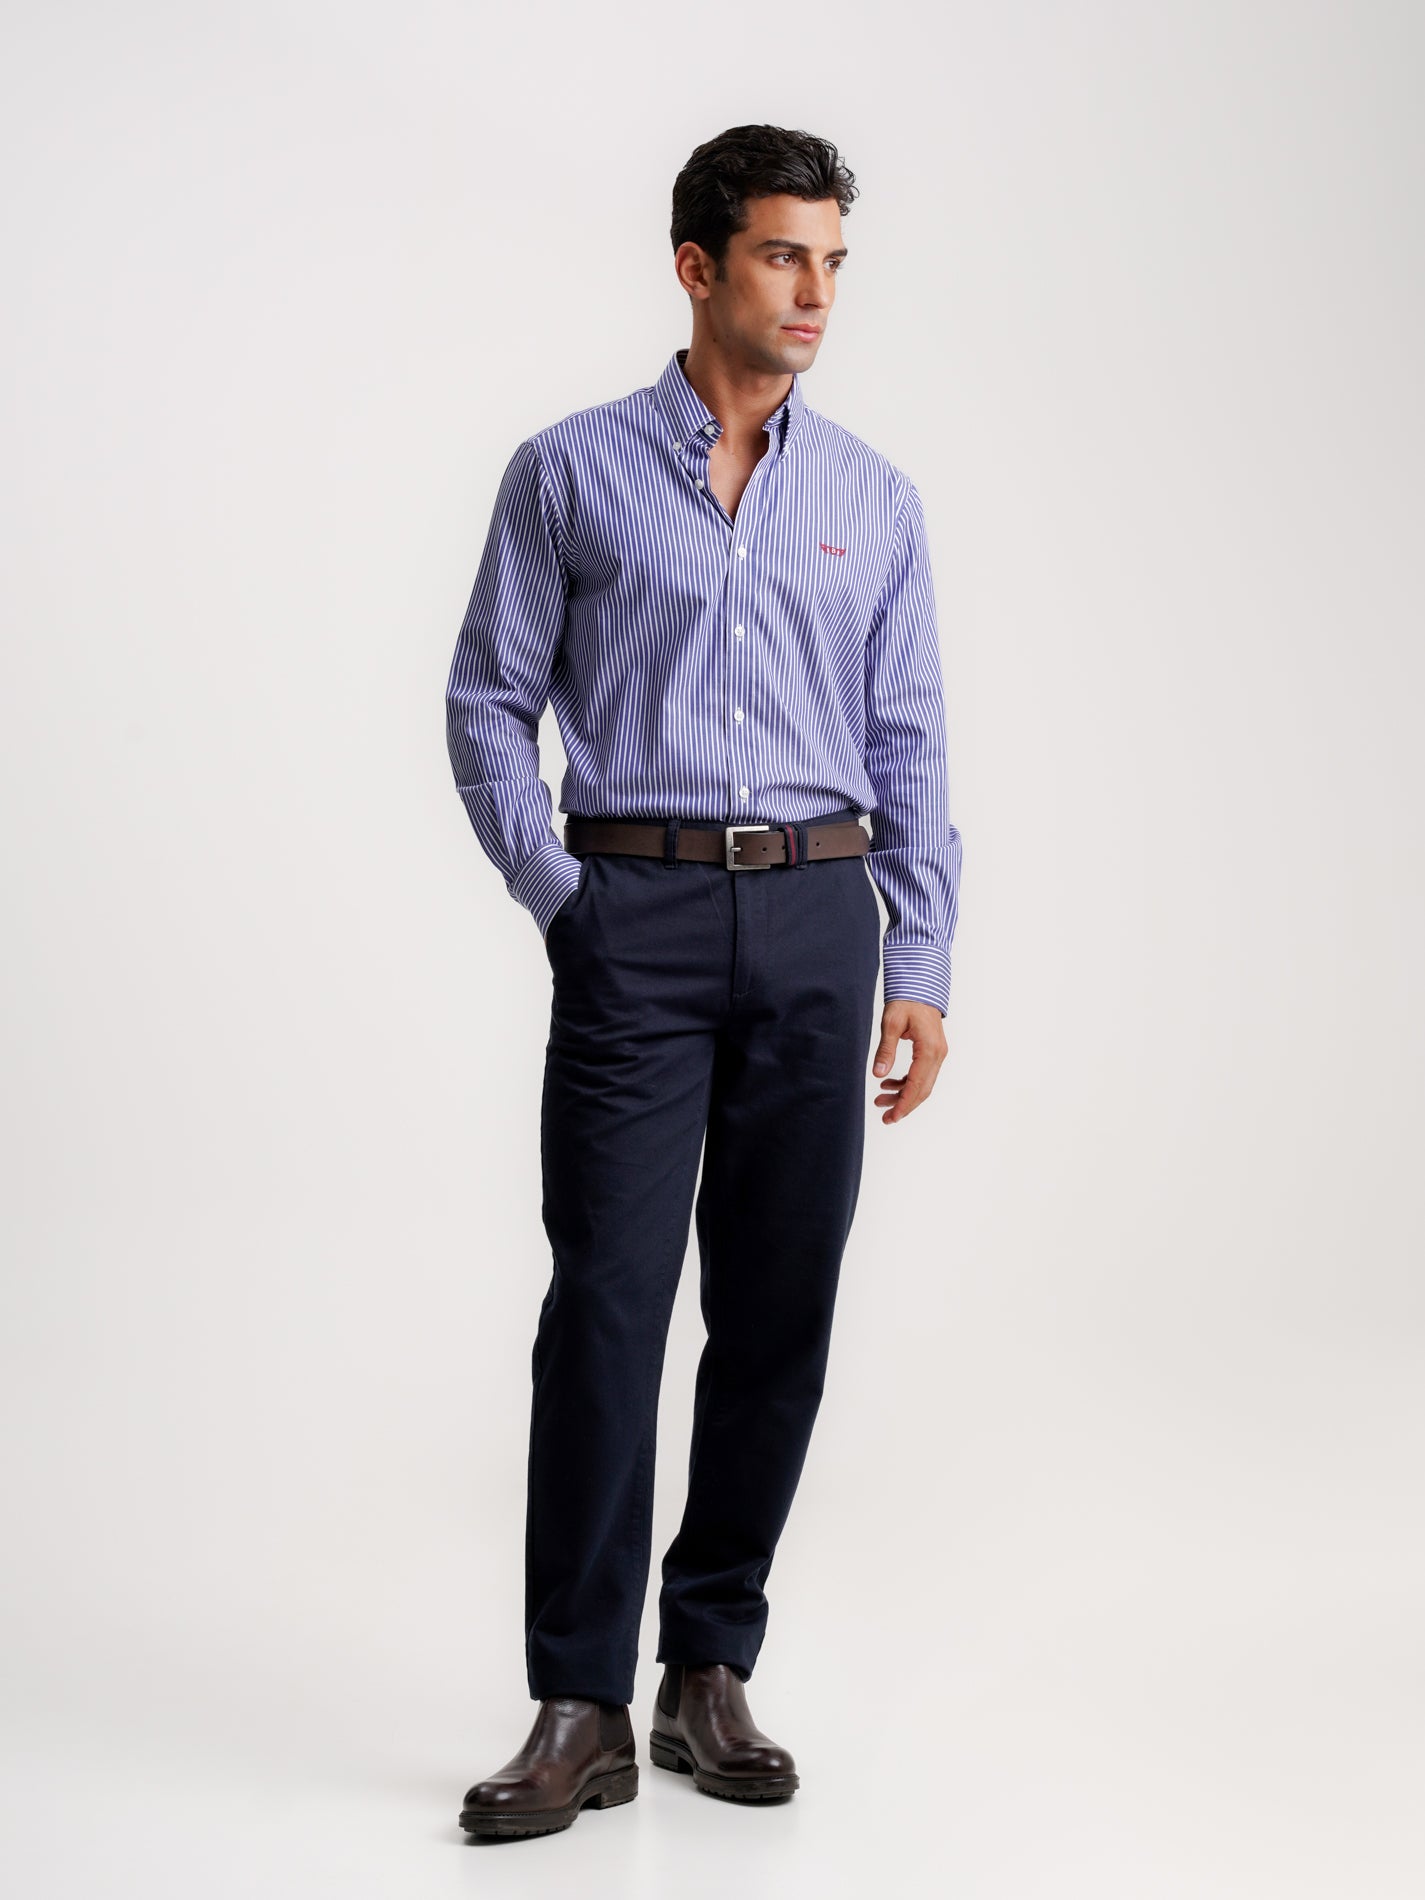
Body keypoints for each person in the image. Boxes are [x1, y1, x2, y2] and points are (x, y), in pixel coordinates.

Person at [445, 122, 963, 1840]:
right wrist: (565, 901)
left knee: (777, 1310)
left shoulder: (872, 500)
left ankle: (706, 1667)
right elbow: (485, 701)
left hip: (819, 924)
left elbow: (907, 741)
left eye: (831, 262)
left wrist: (918, 958)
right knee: (604, 1303)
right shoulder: (568, 473)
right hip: (636, 921)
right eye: (780, 256)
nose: (813, 293)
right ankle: (577, 1700)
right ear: (696, 266)